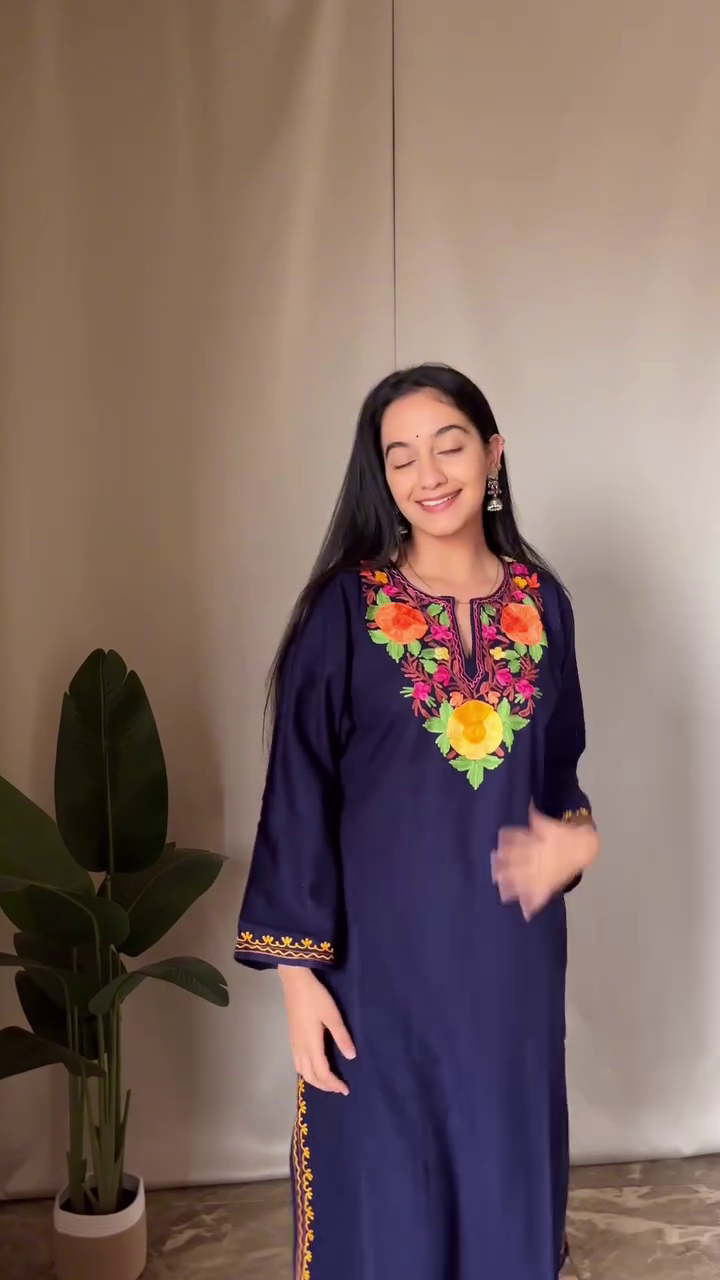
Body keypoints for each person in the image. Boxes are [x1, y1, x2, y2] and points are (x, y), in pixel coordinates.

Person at [234, 364, 598, 1280]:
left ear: (493, 455)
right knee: (385, 1201)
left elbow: (559, 774)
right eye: (400, 458)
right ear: (382, 477)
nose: (427, 475)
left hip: (508, 973)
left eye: (449, 446)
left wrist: (578, 839)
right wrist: (298, 980)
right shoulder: (346, 610)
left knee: (505, 1182)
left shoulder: (542, 606)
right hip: (376, 975)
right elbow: (298, 790)